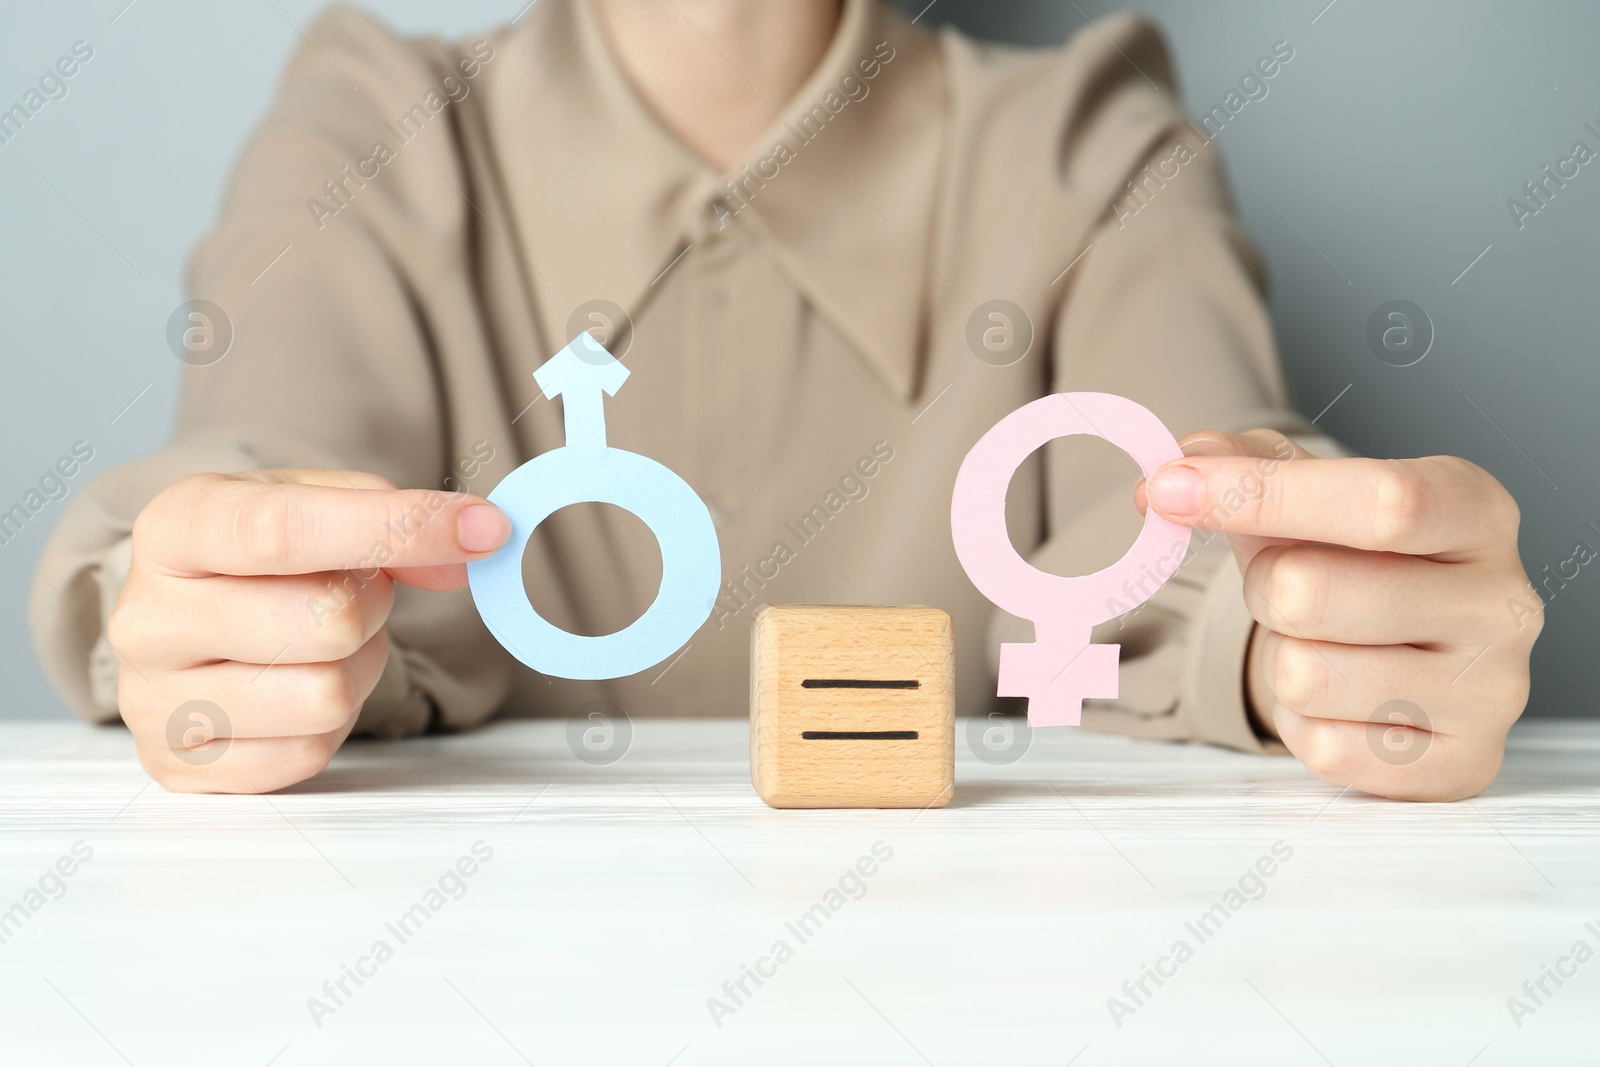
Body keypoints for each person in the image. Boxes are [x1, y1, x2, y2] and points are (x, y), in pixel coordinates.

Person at [28, 0, 1540, 800]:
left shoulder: (1091, 148)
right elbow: (259, 480)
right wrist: (202, 591)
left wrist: (1316, 626)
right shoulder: (366, 129)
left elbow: (1190, 532)